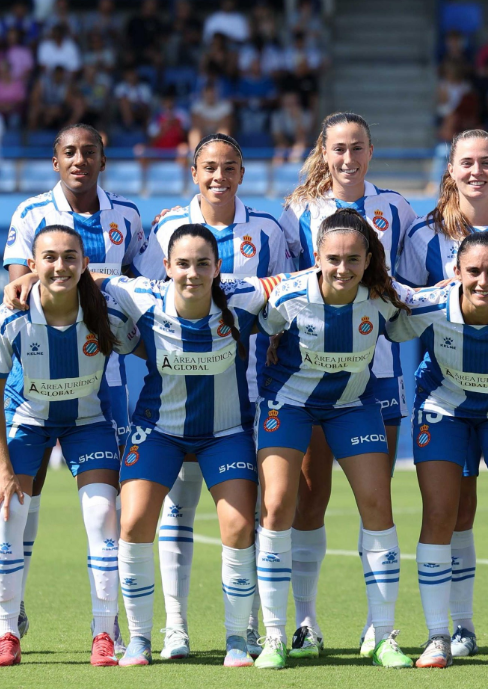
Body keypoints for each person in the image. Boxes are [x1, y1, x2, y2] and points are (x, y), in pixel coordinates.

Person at [137, 134, 292, 660]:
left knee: (240, 519)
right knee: (174, 514)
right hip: (174, 397)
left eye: (229, 167)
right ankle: (173, 628)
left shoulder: (269, 227)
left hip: (242, 395)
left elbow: (293, 288)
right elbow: (136, 292)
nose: (219, 176)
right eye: (209, 167)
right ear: (194, 171)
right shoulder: (163, 227)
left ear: (242, 173)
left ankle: (243, 627)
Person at [98, 227, 281, 667]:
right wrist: (24, 280)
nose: (192, 273)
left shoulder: (240, 298)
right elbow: (91, 276)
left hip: (225, 432)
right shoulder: (142, 295)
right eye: (182, 263)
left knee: (238, 527)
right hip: (159, 429)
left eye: (203, 263)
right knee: (135, 519)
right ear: (166, 268)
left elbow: (306, 280)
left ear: (218, 268)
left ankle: (238, 637)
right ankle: (141, 638)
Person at [395, 128, 488, 660]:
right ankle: (450, 631)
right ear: (451, 169)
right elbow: (399, 309)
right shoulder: (421, 235)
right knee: (447, 513)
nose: (477, 170)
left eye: (486, 161)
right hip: (443, 401)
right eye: (466, 162)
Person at [275, 112, 419, 660]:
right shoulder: (297, 213)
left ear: (370, 150)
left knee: (373, 500)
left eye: (357, 147)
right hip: (311, 372)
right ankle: (306, 625)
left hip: (376, 370)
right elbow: (285, 286)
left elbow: (416, 286)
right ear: (324, 152)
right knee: (310, 498)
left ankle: (376, 630)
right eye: (339, 148)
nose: (348, 158)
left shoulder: (397, 209)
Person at [2, 123, 144, 648]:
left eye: (89, 152)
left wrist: (107, 288)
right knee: (23, 502)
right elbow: (17, 288)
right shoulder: (30, 214)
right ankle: (11, 615)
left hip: (103, 387)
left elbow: (149, 288)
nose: (79, 159)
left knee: (106, 511)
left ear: (103, 160)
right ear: (55, 161)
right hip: (35, 384)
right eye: (69, 152)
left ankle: (106, 625)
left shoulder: (126, 217)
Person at [253, 210, 413, 670]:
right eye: (334, 259)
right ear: (317, 259)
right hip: (289, 405)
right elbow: (264, 329)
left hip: (352, 405)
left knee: (377, 506)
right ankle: (276, 636)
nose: (342, 269)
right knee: (280, 505)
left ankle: (383, 636)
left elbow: (408, 323)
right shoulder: (289, 296)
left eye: (353, 260)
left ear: (367, 261)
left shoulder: (381, 299)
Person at [0, 225, 139, 668]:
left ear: (84, 264)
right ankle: (7, 631)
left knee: (102, 514)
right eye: (49, 257)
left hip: (88, 422)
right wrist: (3, 467)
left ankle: (104, 631)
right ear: (32, 266)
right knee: (9, 513)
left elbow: (146, 346)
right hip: (26, 421)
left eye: (70, 257)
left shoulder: (104, 314)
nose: (60, 265)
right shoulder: (11, 316)